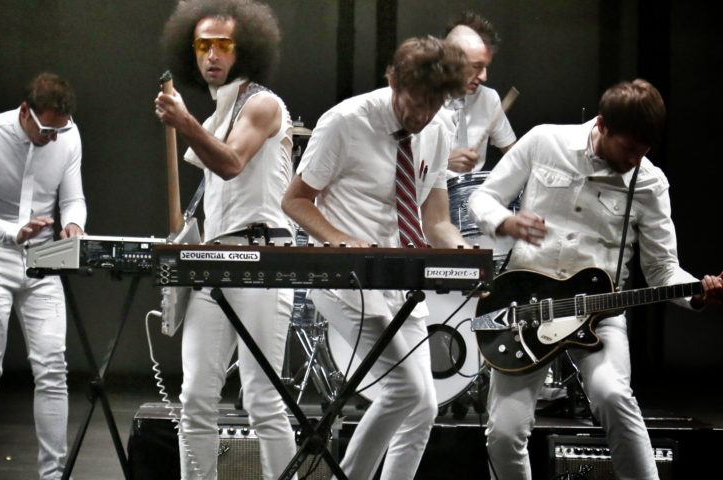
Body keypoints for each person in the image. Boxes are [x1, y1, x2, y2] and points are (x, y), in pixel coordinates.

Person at [468, 79, 723, 479]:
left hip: (598, 312)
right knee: (504, 434)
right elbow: (482, 197)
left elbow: (662, 269)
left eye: (644, 151)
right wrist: (505, 221)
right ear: (602, 125)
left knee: (613, 396)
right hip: (526, 306)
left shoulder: (649, 183)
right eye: (628, 148)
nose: (635, 159)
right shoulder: (545, 142)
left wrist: (697, 292)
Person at [282, 35, 470, 480]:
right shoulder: (345, 122)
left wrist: (467, 257)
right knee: (404, 391)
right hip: (345, 282)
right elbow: (295, 200)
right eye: (416, 103)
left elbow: (437, 220)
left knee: (423, 407)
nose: (423, 115)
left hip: (400, 283)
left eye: (434, 105)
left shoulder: (438, 128)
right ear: (393, 82)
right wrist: (342, 240)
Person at [155, 1, 296, 478]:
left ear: (246, 49)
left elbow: (232, 163)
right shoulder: (221, 112)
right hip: (215, 262)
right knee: (195, 397)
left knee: (262, 399)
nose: (211, 55)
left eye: (223, 45)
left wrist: (184, 123)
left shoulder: (261, 103)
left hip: (262, 258)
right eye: (202, 46)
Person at [0, 72, 83, 480]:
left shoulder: (68, 136)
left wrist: (74, 225)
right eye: (46, 130)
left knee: (53, 368)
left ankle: (53, 475)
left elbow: (73, 198)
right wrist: (11, 231)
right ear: (25, 111)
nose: (53, 138)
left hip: (43, 257)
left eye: (59, 130)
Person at [442, 11, 516, 177]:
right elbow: (396, 163)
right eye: (476, 66)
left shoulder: (489, 98)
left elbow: (512, 153)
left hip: (472, 189)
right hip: (428, 189)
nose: (484, 77)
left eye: (486, 67)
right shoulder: (417, 99)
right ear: (450, 61)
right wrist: (444, 162)